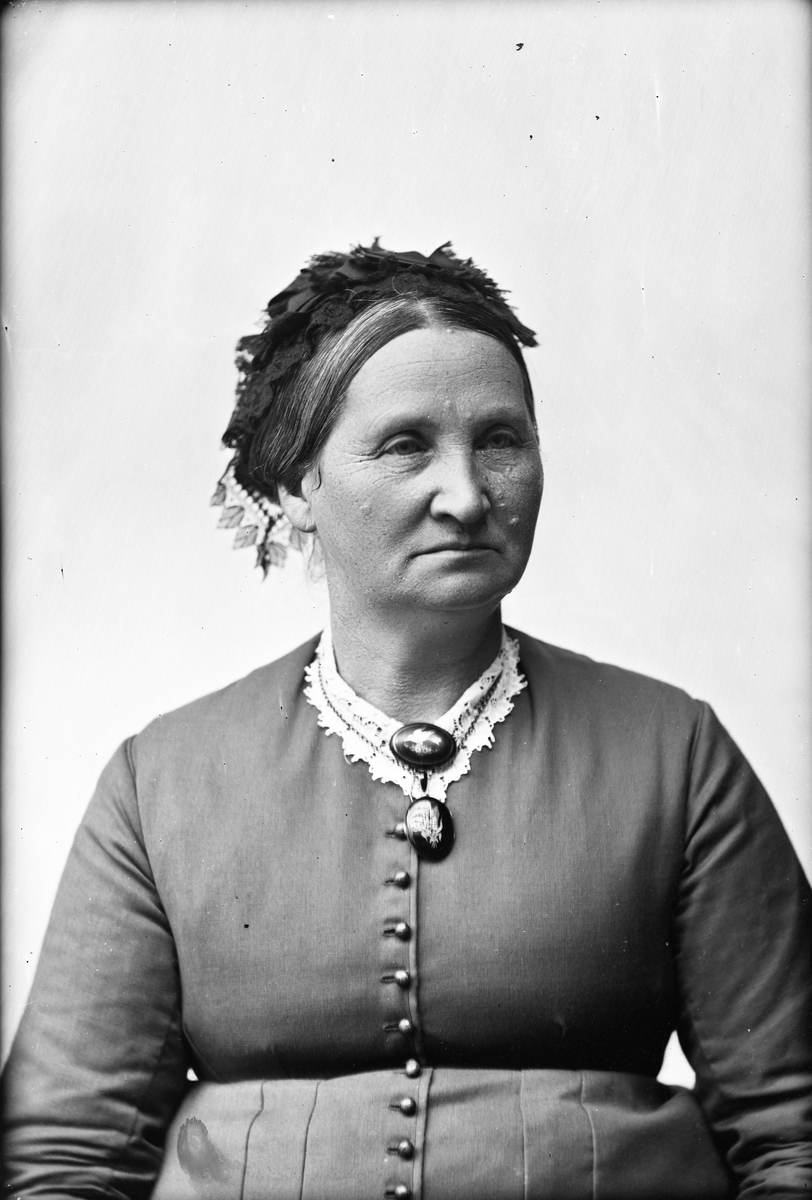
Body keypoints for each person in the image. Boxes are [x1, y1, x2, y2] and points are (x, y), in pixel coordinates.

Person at [3, 241, 810, 1199]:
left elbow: (792, 1135)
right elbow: (65, 1161)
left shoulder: (674, 755)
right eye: (405, 446)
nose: (467, 496)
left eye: (500, 441)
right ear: (298, 487)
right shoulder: (162, 784)